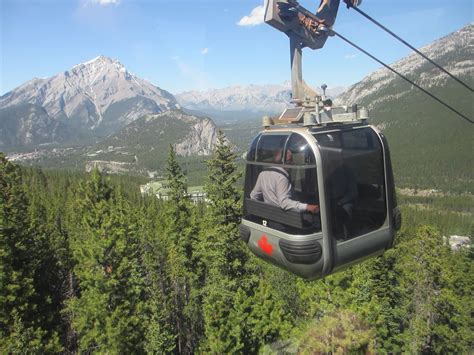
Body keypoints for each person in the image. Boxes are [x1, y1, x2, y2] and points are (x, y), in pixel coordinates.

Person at [250, 149, 319, 214]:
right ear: (282, 161)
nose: (292, 163)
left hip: (270, 216)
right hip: (283, 219)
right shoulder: (282, 177)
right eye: (290, 160)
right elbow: (284, 202)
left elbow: (254, 196)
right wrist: (307, 207)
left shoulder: (263, 174)